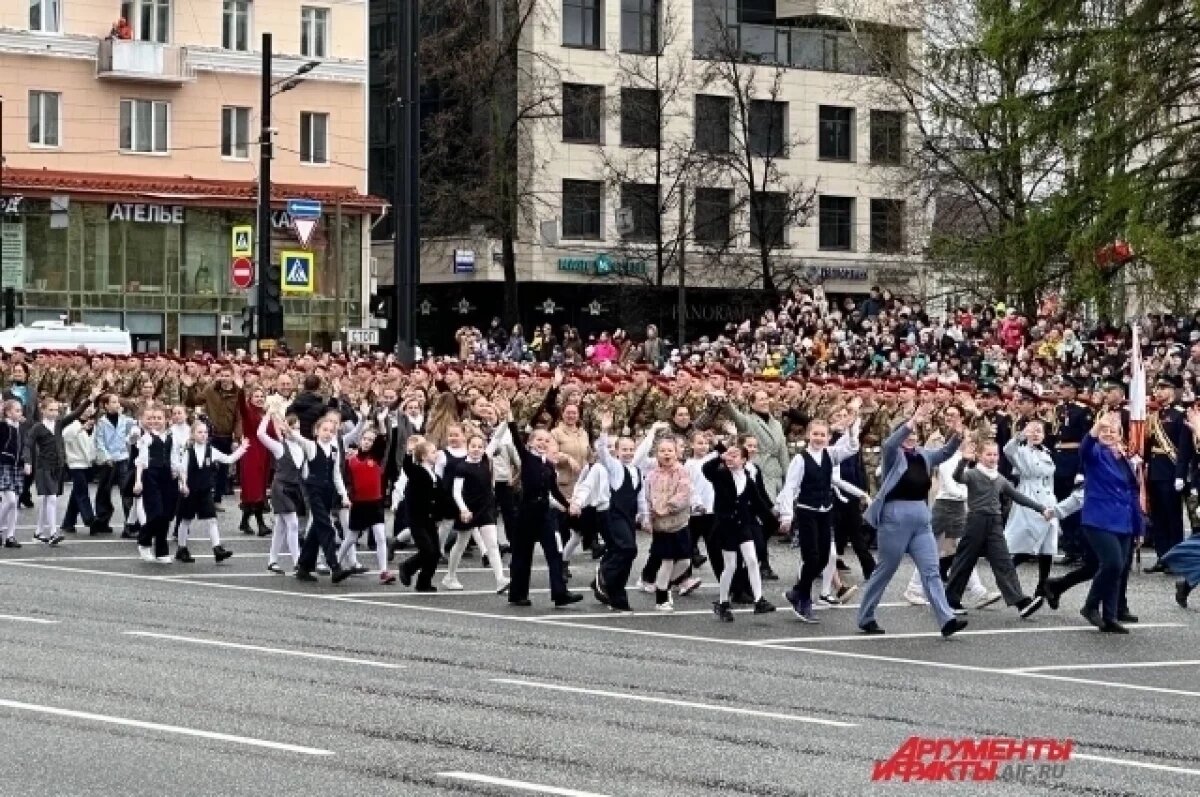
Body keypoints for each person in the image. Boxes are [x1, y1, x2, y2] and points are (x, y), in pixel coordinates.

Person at [856, 403, 967, 637]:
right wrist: (912, 421)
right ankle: (866, 616)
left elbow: (944, 453)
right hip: (895, 516)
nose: (912, 437)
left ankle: (946, 619)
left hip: (921, 516)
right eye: (907, 433)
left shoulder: (923, 454)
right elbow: (889, 444)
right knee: (886, 569)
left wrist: (957, 434)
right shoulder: (893, 455)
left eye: (915, 434)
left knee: (931, 569)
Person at [944, 440, 1051, 618]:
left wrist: (1041, 509)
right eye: (988, 454)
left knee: (1004, 561)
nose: (993, 458)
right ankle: (950, 600)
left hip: (995, 523)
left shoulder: (999, 479)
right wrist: (963, 461)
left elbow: (1017, 496)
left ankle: (1021, 602)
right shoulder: (973, 474)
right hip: (976, 521)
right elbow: (957, 478)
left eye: (995, 455)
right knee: (965, 561)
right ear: (979, 456)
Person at [776, 409, 862, 622]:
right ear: (808, 435)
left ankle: (797, 591)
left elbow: (851, 448)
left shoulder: (830, 454)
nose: (819, 438)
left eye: (823, 435)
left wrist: (851, 429)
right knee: (811, 557)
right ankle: (803, 599)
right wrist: (786, 515)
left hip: (825, 511)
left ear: (829, 437)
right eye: (815, 434)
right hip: (807, 512)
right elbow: (790, 487)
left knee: (824, 558)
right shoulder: (800, 459)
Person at [1074, 410, 1144, 633]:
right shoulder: (1096, 453)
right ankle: (1090, 606)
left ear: (1120, 435)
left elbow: (1132, 494)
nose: (1108, 434)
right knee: (1112, 563)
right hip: (1099, 518)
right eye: (1104, 430)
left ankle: (1110, 616)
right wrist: (1097, 427)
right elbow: (1085, 448)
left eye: (1113, 431)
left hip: (1124, 521)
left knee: (1119, 569)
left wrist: (1139, 527)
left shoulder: (1124, 459)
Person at [504, 410, 580, 608]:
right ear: (530, 442)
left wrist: (568, 505)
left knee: (554, 552)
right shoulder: (527, 457)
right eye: (539, 439)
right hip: (526, 513)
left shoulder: (549, 465)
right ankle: (518, 594)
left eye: (547, 440)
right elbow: (516, 438)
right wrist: (510, 418)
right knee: (522, 554)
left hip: (545, 513)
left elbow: (554, 490)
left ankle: (560, 593)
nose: (543, 443)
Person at [704, 441, 776, 621]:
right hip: (726, 526)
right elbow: (706, 469)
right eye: (728, 455)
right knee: (730, 566)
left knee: (752, 560)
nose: (730, 458)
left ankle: (759, 600)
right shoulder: (721, 475)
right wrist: (720, 456)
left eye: (735, 455)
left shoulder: (748, 480)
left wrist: (774, 521)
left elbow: (759, 503)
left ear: (744, 460)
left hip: (743, 525)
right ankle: (722, 602)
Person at [174, 422, 250, 564]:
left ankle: (217, 548)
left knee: (212, 519)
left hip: (205, 491)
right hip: (190, 491)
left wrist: (242, 448)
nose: (203, 435)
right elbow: (182, 470)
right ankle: (181, 548)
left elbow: (228, 459)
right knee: (185, 520)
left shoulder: (211, 450)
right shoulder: (188, 451)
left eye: (205, 432)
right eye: (200, 432)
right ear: (193, 434)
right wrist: (183, 485)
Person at [443, 429, 508, 593]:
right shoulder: (462, 467)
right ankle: (450, 576)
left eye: (480, 446)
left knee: (492, 544)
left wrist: (507, 421)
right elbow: (456, 492)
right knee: (461, 544)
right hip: (469, 510)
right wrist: (463, 509)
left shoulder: (486, 458)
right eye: (473, 446)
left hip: (486, 508)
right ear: (468, 446)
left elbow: (497, 437)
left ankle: (500, 579)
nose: (477, 449)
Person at [591, 411, 641, 613]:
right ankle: (604, 574)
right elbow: (602, 452)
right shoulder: (615, 468)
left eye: (631, 449)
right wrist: (604, 430)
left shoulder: (637, 471)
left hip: (629, 517)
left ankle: (617, 597)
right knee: (627, 548)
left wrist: (645, 516)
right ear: (617, 452)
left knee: (628, 554)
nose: (628, 453)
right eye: (624, 450)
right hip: (614, 516)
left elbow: (640, 496)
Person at [1002, 420, 1059, 598]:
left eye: (1039, 431)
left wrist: (1053, 502)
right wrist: (1020, 436)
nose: (1035, 434)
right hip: (1030, 497)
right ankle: (1005, 575)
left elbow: (1049, 478)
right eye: (1032, 431)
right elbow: (1007, 450)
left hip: (1047, 498)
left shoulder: (1047, 452)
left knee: (1047, 545)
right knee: (1028, 541)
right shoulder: (1021, 452)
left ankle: (1043, 586)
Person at [294, 416, 353, 583]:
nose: (328, 433)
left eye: (331, 431)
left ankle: (304, 566)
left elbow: (336, 475)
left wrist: (344, 496)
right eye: (324, 430)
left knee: (316, 529)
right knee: (326, 527)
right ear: (316, 431)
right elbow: (296, 437)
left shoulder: (334, 450)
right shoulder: (311, 446)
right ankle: (335, 566)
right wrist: (281, 423)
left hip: (328, 492)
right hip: (314, 491)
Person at [640, 436, 693, 612]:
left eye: (670, 450)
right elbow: (646, 498)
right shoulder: (652, 475)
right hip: (661, 526)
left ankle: (665, 585)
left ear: (676, 453)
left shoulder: (682, 472)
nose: (666, 454)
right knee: (667, 560)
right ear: (657, 454)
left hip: (679, 523)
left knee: (685, 561)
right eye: (662, 451)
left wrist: (668, 507)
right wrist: (647, 518)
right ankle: (661, 598)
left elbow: (684, 494)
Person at [1144, 374, 1190, 573]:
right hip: (1155, 471)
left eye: (1163, 388)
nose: (1159, 392)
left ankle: (1176, 558)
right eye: (1157, 388)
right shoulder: (1154, 415)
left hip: (1170, 471)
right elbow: (1148, 445)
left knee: (1172, 517)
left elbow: (1184, 448)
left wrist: (1180, 474)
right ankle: (1162, 556)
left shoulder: (1180, 414)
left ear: (1172, 391)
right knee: (1158, 517)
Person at [340, 425, 395, 584]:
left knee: (380, 536)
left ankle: (384, 571)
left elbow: (383, 442)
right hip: (358, 504)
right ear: (360, 440)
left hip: (375, 503)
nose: (367, 442)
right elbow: (345, 480)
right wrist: (346, 496)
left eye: (371, 440)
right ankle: (336, 563)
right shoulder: (350, 459)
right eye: (365, 439)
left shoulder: (376, 456)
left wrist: (381, 423)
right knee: (351, 537)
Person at [257, 412, 305, 574]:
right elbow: (260, 434)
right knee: (293, 523)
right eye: (293, 428)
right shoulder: (279, 447)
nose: (296, 431)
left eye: (298, 428)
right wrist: (267, 416)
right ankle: (298, 561)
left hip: (294, 489)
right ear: (285, 429)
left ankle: (272, 561)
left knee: (280, 527)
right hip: (281, 488)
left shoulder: (301, 447)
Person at [132, 405, 180, 564]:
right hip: (151, 477)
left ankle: (161, 551)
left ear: (166, 420)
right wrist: (138, 481)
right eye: (153, 418)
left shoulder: (171, 438)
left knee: (166, 515)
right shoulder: (146, 438)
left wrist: (178, 475)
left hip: (168, 477)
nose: (156, 421)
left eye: (159, 418)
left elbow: (174, 458)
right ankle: (144, 540)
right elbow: (141, 461)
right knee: (156, 513)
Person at [398, 436, 444, 591]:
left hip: (430, 519)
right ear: (424, 456)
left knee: (435, 552)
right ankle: (407, 567)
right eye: (433, 452)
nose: (436, 454)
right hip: (417, 518)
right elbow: (407, 467)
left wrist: (441, 514)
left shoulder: (435, 476)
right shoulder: (417, 471)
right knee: (427, 550)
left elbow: (439, 498)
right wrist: (409, 451)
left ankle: (424, 582)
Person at [93, 392, 138, 537]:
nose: (117, 404)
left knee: (126, 492)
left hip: (123, 458)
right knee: (104, 492)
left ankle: (130, 525)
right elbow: (99, 442)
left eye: (118, 402)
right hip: (108, 461)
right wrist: (106, 457)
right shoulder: (101, 422)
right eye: (113, 402)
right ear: (106, 405)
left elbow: (137, 424)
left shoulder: (126, 420)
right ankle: (102, 521)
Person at [0, 400, 26, 549]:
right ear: (8, 413)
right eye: (17, 410)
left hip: (17, 467)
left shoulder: (20, 428)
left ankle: (10, 536)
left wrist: (26, 462)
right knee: (9, 500)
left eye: (20, 410)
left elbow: (25, 447)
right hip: (4, 465)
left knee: (14, 502)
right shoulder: (3, 426)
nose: (20, 413)